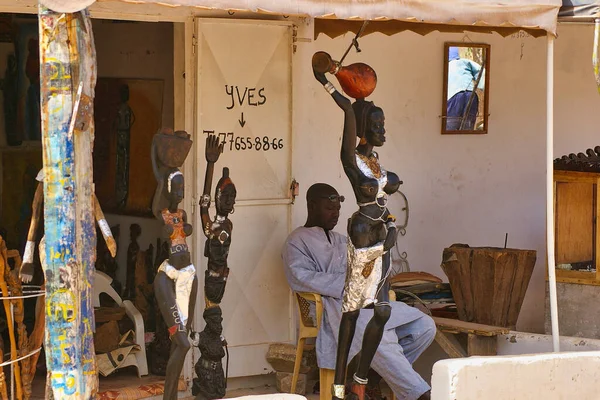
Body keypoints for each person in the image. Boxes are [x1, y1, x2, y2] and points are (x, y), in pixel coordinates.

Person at [282, 183, 436, 400]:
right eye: (329, 208)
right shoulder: (296, 241)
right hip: (335, 308)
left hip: (368, 302)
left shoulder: (342, 240)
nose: (335, 214)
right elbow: (300, 277)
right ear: (311, 206)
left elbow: (368, 268)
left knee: (424, 326)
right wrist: (349, 284)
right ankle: (418, 394)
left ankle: (373, 377)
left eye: (337, 209)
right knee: (377, 334)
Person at [446, 46, 485, 130]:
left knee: (450, 127)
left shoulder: (444, 66)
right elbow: (482, 75)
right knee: (467, 127)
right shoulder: (465, 62)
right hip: (471, 95)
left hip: (453, 96)